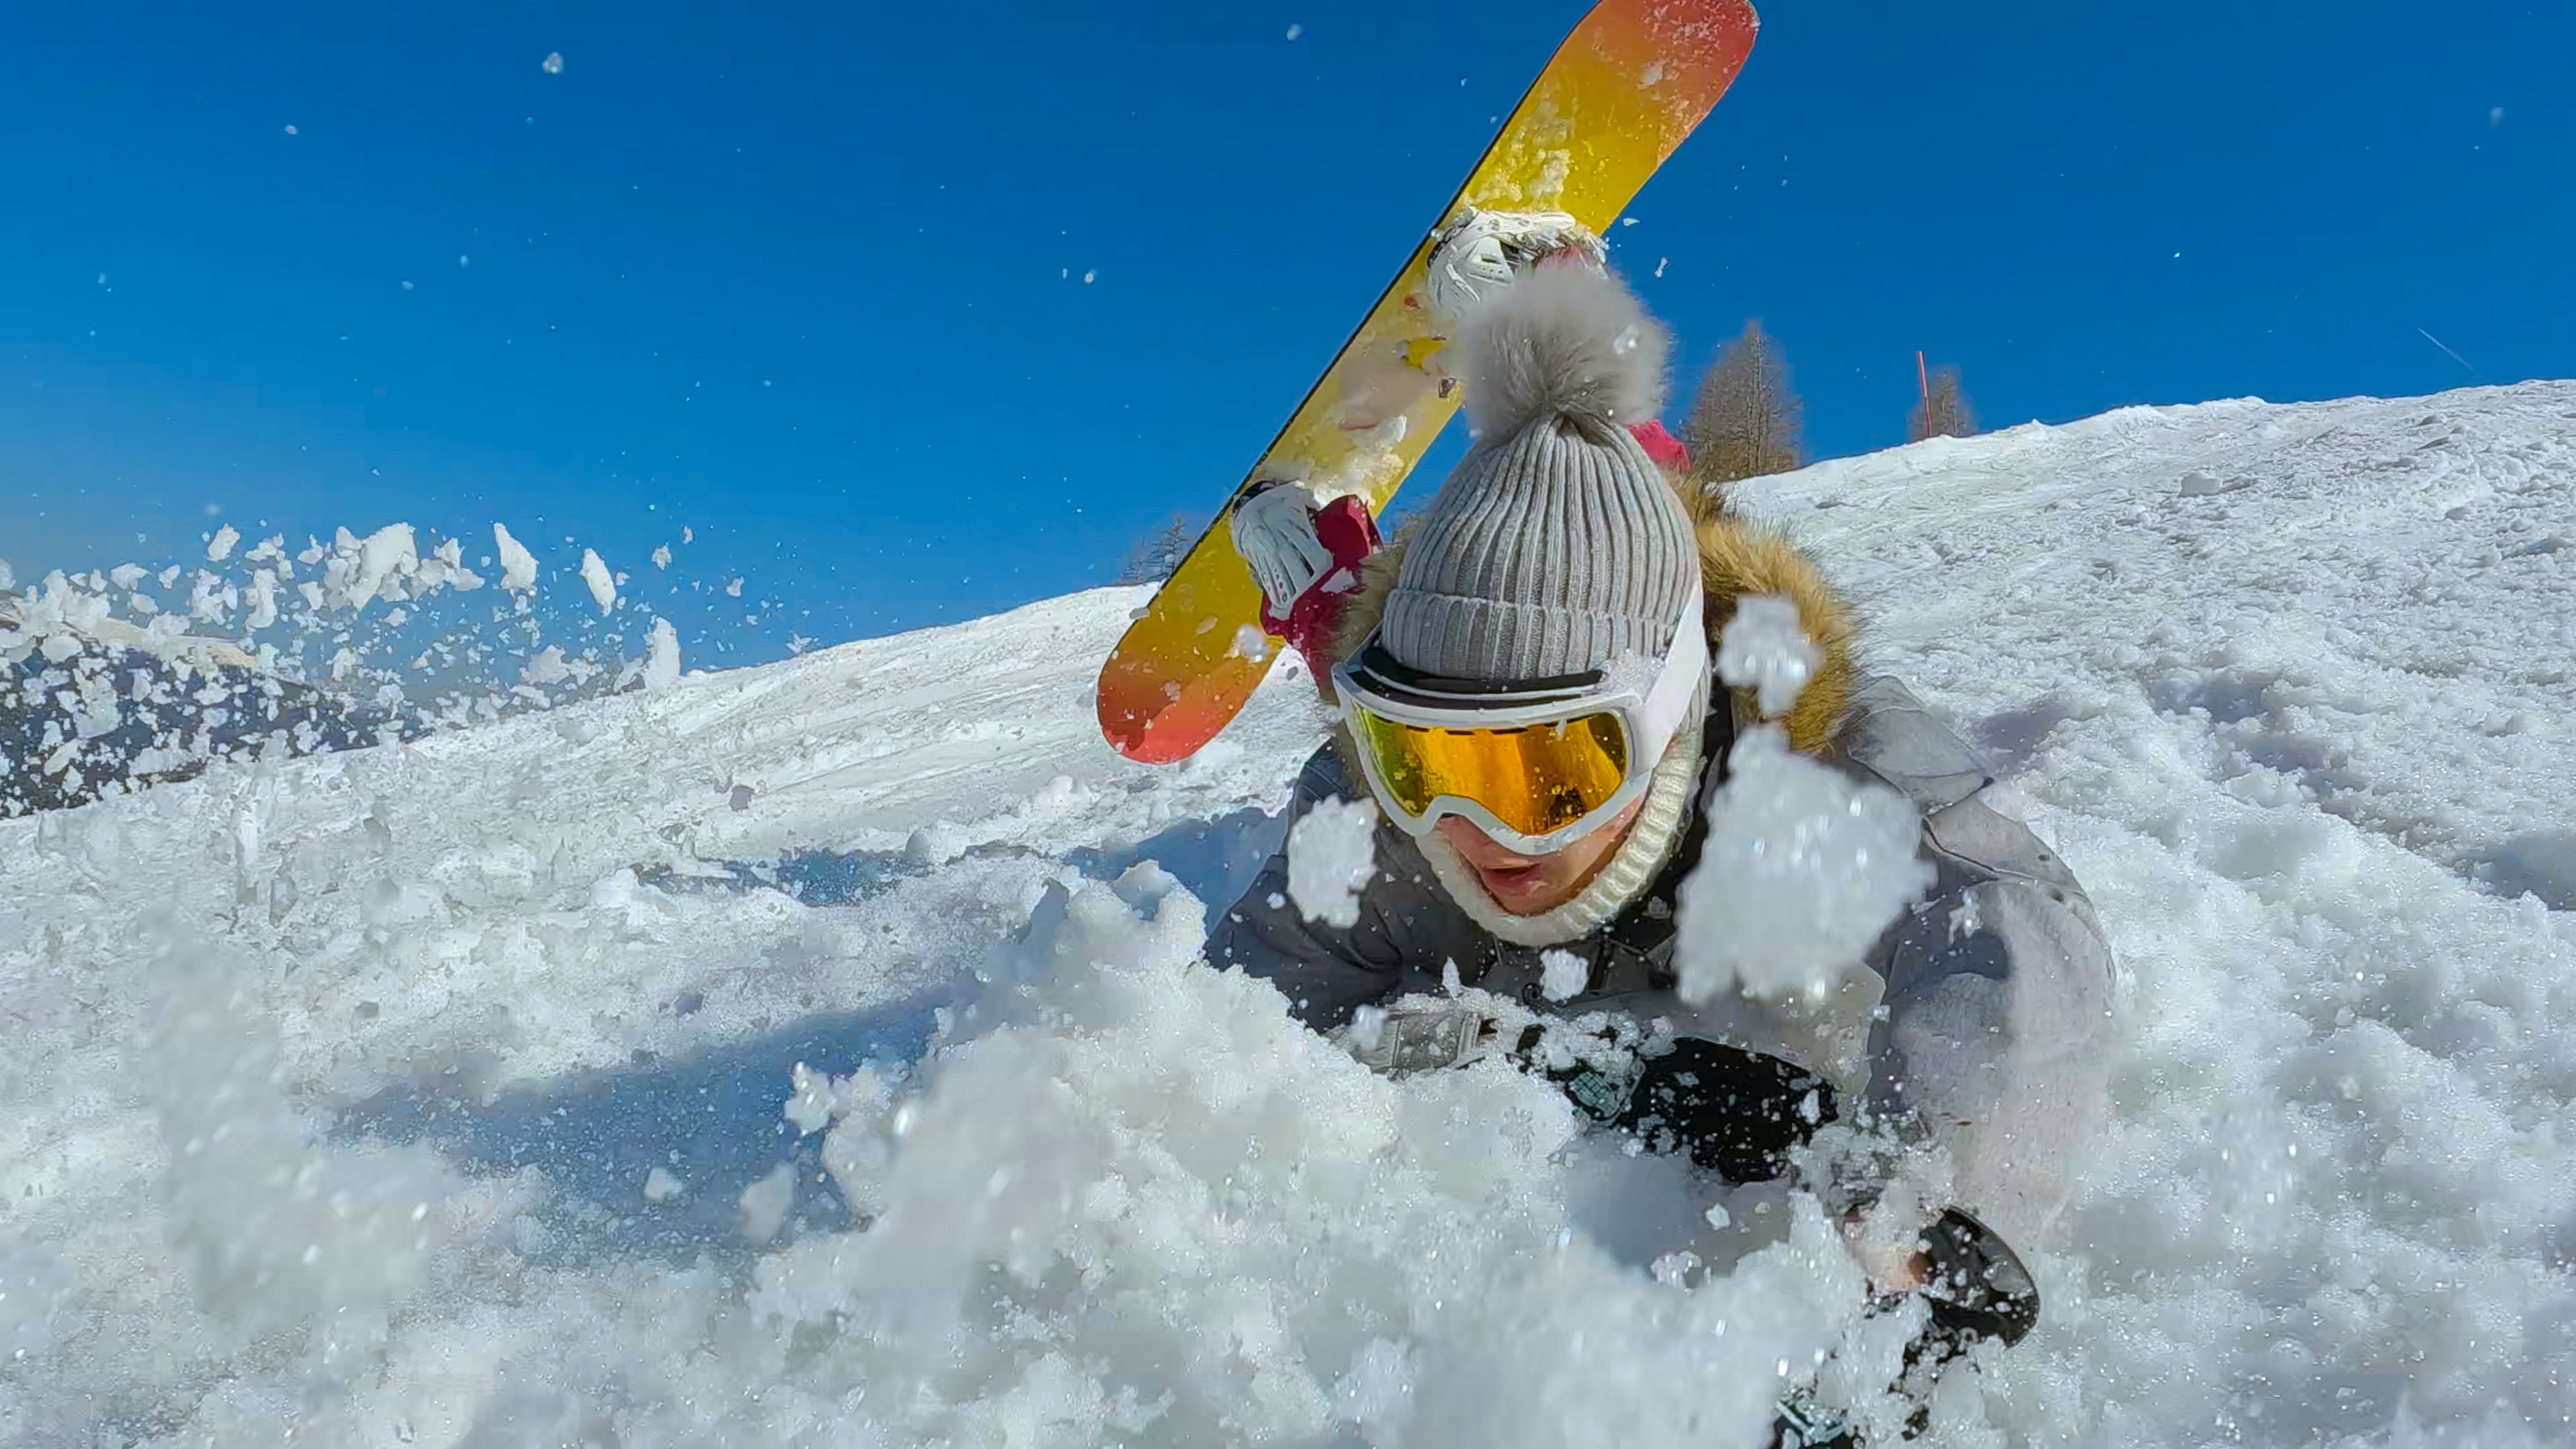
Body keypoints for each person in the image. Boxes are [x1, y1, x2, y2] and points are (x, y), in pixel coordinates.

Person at [1205, 217, 2117, 1443]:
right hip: (1446, 630)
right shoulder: (1379, 820)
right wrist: (1492, 1049)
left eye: (1554, 769)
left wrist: (1926, 1192)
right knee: (1353, 644)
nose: (1478, 833)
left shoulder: (1806, 758)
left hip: (1648, 603)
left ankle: (1556, 330)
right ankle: (1317, 574)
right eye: (1426, 764)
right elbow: (1239, 1032)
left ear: (1668, 725)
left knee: (1640, 507)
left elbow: (2014, 926)